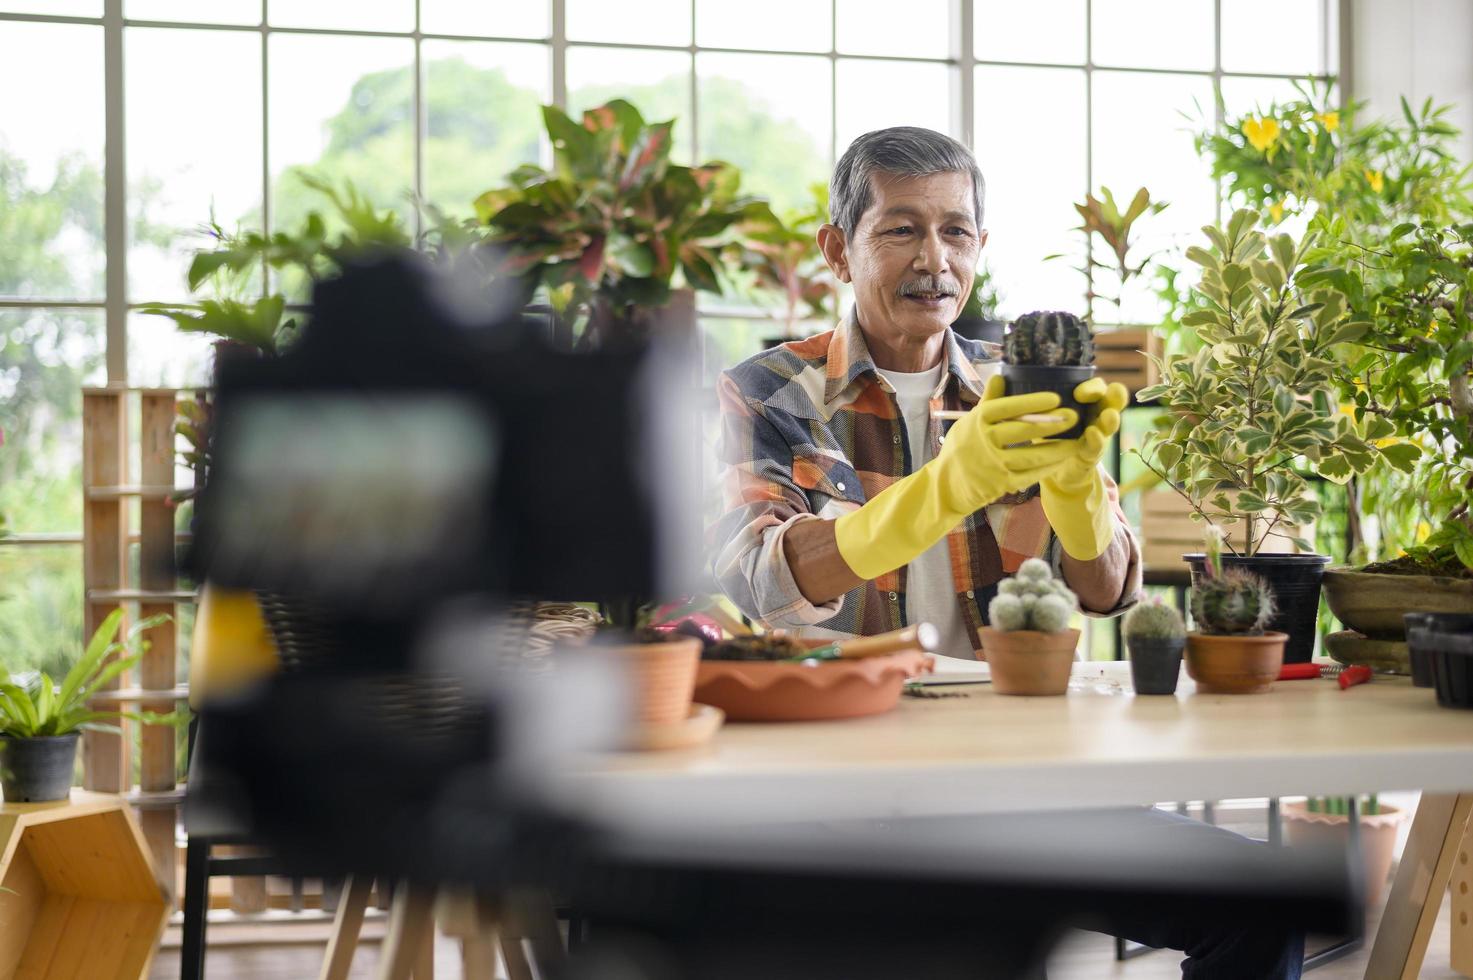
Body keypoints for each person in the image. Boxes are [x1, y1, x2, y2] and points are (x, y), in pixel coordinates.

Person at [708, 126, 1304, 978]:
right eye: (900, 228)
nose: (933, 259)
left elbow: (1107, 593)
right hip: (832, 790)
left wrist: (1074, 489)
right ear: (838, 250)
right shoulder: (764, 393)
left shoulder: (1018, 387)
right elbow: (765, 577)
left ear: (980, 246)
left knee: (1255, 906)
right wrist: (948, 484)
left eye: (955, 231)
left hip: (1012, 776)